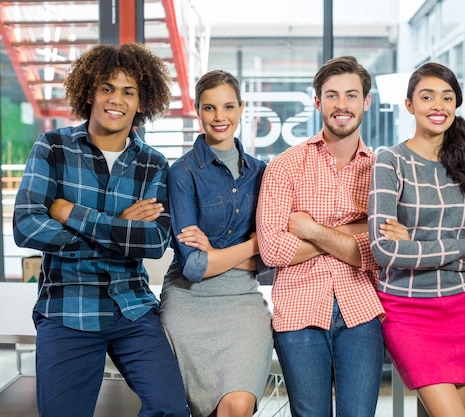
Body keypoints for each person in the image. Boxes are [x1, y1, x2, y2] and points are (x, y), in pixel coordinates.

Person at [12, 43, 190, 417]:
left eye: (129, 91)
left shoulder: (153, 164)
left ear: (142, 102)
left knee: (171, 408)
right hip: (67, 307)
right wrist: (121, 227)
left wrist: (71, 213)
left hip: (133, 308)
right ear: (90, 92)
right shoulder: (53, 148)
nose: (116, 100)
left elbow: (155, 241)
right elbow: (27, 228)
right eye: (107, 88)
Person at [368, 62, 465, 417]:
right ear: (410, 104)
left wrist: (413, 243)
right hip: (407, 310)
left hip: (461, 307)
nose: (437, 106)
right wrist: (463, 245)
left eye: (447, 97)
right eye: (426, 97)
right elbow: (383, 250)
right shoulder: (390, 162)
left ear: (456, 104)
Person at [256, 56, 385, 417]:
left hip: (361, 309)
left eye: (351, 95)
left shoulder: (382, 169)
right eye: (331, 96)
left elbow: (380, 248)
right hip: (298, 311)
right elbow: (273, 249)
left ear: (366, 101)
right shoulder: (285, 165)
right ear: (317, 102)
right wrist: (353, 232)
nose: (341, 105)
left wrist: (311, 229)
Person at [159, 70, 272, 417]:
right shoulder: (182, 172)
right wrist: (253, 246)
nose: (219, 117)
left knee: (237, 405)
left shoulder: (262, 172)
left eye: (227, 107)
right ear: (197, 110)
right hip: (188, 301)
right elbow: (193, 266)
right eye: (209, 108)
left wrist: (219, 254)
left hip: (242, 301)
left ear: (241, 108)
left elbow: (271, 261)